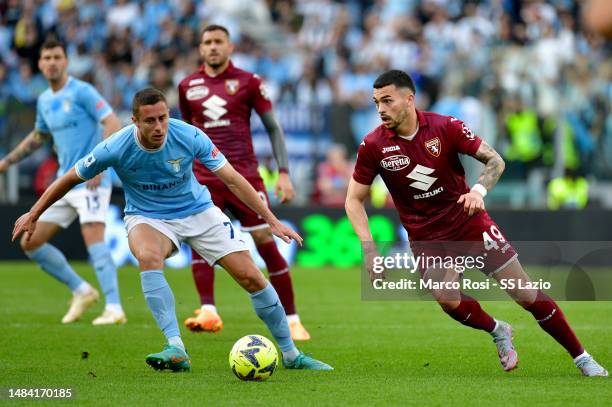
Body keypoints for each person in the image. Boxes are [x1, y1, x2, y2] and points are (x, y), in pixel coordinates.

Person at [12, 88, 333, 372]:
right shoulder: (115, 146)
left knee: (251, 276)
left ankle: (291, 355)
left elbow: (233, 179)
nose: (158, 127)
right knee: (149, 256)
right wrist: (34, 213)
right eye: (150, 120)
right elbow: (69, 178)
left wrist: (272, 220)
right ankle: (176, 347)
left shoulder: (189, 136)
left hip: (199, 211)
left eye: (163, 118)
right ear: (135, 121)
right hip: (148, 216)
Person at [344, 69, 607, 377]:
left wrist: (478, 191)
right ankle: (498, 329)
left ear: (409, 99)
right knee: (447, 300)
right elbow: (353, 199)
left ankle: (582, 357)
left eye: (387, 101)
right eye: (376, 102)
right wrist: (370, 249)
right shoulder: (373, 145)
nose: (380, 109)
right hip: (427, 236)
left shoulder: (445, 127)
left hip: (468, 222)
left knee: (524, 294)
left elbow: (495, 160)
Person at [178, 24, 310, 340]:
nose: (212, 47)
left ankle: (292, 318)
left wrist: (284, 173)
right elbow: (185, 134)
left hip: (245, 176)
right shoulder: (187, 85)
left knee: (266, 241)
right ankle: (208, 310)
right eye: (207, 42)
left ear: (230, 46)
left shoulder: (249, 82)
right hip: (205, 177)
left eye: (218, 42)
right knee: (200, 237)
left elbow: (274, 128)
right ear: (200, 48)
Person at [0, 39, 125, 325]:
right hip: (64, 183)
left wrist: (100, 165)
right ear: (40, 64)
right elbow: (38, 137)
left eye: (57, 56)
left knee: (93, 235)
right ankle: (82, 290)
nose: (52, 62)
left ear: (66, 61)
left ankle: (115, 308)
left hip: (91, 178)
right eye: (47, 58)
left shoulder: (82, 91)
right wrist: (6, 162)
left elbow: (112, 123)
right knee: (31, 241)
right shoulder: (44, 101)